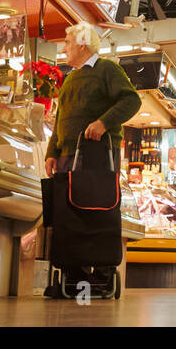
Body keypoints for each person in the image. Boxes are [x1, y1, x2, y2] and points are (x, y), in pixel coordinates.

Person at [43, 23, 141, 289]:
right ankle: (75, 274)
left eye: (67, 42)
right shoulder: (70, 78)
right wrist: (52, 152)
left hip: (98, 155)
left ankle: (103, 271)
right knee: (69, 214)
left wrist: (103, 122)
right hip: (66, 156)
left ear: (83, 43)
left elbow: (131, 100)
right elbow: (61, 119)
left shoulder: (107, 69)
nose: (63, 47)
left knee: (98, 211)